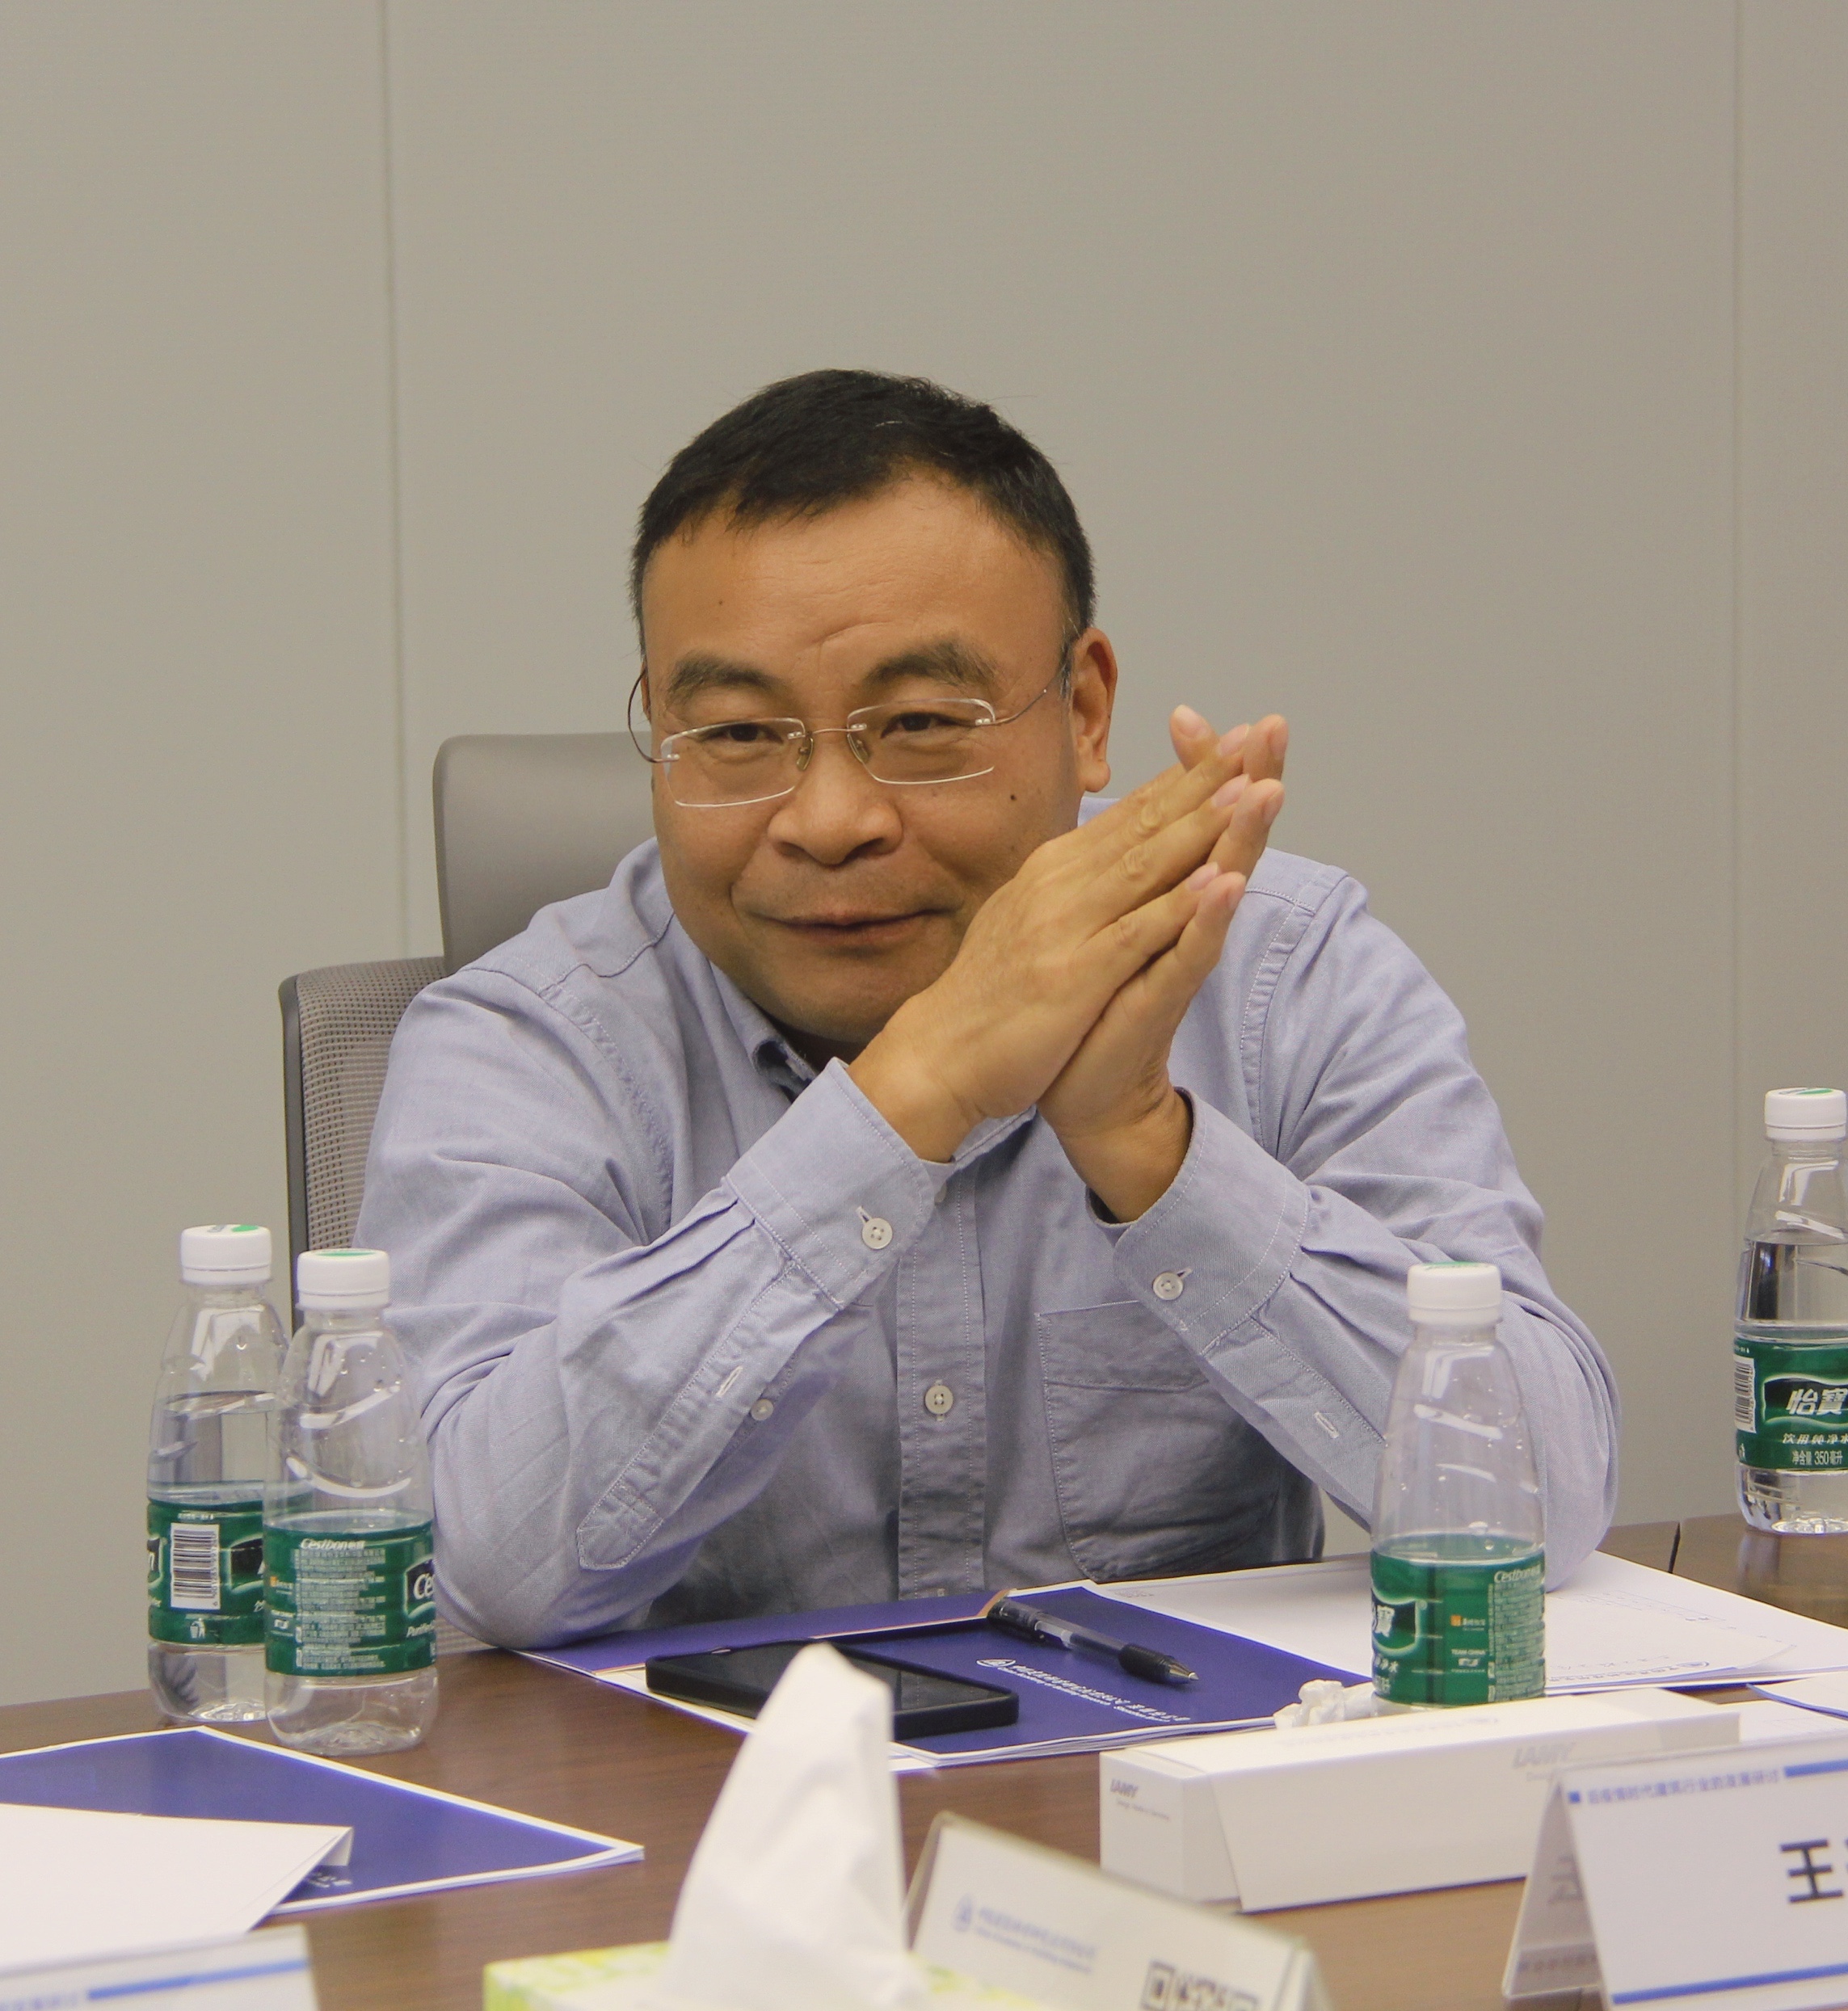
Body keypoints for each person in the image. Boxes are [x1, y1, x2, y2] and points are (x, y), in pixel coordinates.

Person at [357, 369, 1619, 1648]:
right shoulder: (525, 1037)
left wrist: (1150, 1146)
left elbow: (1539, 1500)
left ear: (1083, 711)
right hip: (697, 1778)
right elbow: (476, 1562)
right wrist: (908, 1097)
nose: (830, 820)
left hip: (1166, 1766)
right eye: (736, 734)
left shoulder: (1276, 971)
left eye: (918, 722)